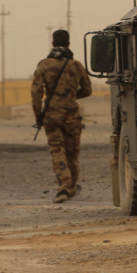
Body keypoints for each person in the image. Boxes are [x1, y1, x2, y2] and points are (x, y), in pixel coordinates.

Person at [31, 29, 92, 203]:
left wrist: (38, 116)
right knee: (72, 153)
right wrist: (71, 97)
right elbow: (87, 90)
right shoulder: (77, 66)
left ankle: (64, 187)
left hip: (51, 116)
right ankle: (71, 186)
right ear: (69, 44)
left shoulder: (44, 65)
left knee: (57, 151)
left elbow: (36, 91)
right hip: (72, 117)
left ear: (52, 44)